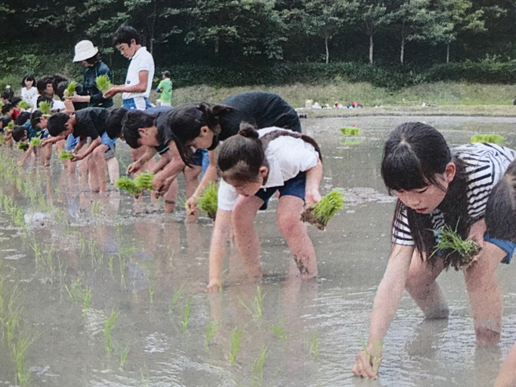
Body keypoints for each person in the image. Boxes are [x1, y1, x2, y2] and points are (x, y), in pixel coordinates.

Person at [352, 122, 516, 379]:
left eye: (420, 191)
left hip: (502, 199)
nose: (412, 201)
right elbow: (393, 277)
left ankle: (488, 352)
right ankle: (438, 321)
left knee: (477, 264)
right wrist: (374, 343)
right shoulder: (410, 207)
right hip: (454, 211)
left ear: (449, 172)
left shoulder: (483, 171)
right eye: (401, 192)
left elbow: (509, 187)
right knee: (414, 276)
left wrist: (482, 222)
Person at [206, 124, 322, 291]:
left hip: (299, 171)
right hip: (258, 174)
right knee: (239, 212)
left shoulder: (288, 156)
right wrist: (214, 279)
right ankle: (254, 276)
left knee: (287, 219)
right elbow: (220, 230)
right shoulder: (232, 176)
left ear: (262, 172)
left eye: (240, 187)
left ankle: (309, 279)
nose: (237, 192)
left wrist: (312, 189)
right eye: (234, 187)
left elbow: (315, 162)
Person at [122, 107, 203, 217]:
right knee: (191, 170)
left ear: (142, 131)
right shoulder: (157, 125)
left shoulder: (165, 126)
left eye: (142, 142)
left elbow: (178, 160)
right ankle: (192, 222)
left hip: (210, 132)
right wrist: (167, 180)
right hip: (202, 134)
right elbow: (184, 158)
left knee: (208, 174)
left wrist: (160, 177)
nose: (147, 146)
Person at [45, 108, 119, 192]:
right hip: (97, 131)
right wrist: (75, 150)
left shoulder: (83, 120)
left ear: (67, 125)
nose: (65, 136)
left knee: (98, 152)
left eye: (64, 134)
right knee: (90, 161)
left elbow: (97, 140)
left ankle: (103, 189)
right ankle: (95, 188)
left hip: (109, 126)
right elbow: (83, 138)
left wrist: (83, 155)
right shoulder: (74, 123)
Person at [104, 25, 154, 111]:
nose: (122, 53)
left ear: (133, 42)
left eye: (123, 48)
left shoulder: (143, 56)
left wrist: (118, 89)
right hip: (129, 103)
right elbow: (132, 85)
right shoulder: (135, 58)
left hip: (136, 103)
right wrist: (115, 87)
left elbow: (142, 86)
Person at [69, 40, 113, 108]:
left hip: (104, 108)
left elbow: (105, 94)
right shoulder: (88, 71)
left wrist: (81, 99)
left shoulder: (102, 70)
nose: (81, 62)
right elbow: (84, 91)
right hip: (91, 107)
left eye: (83, 59)